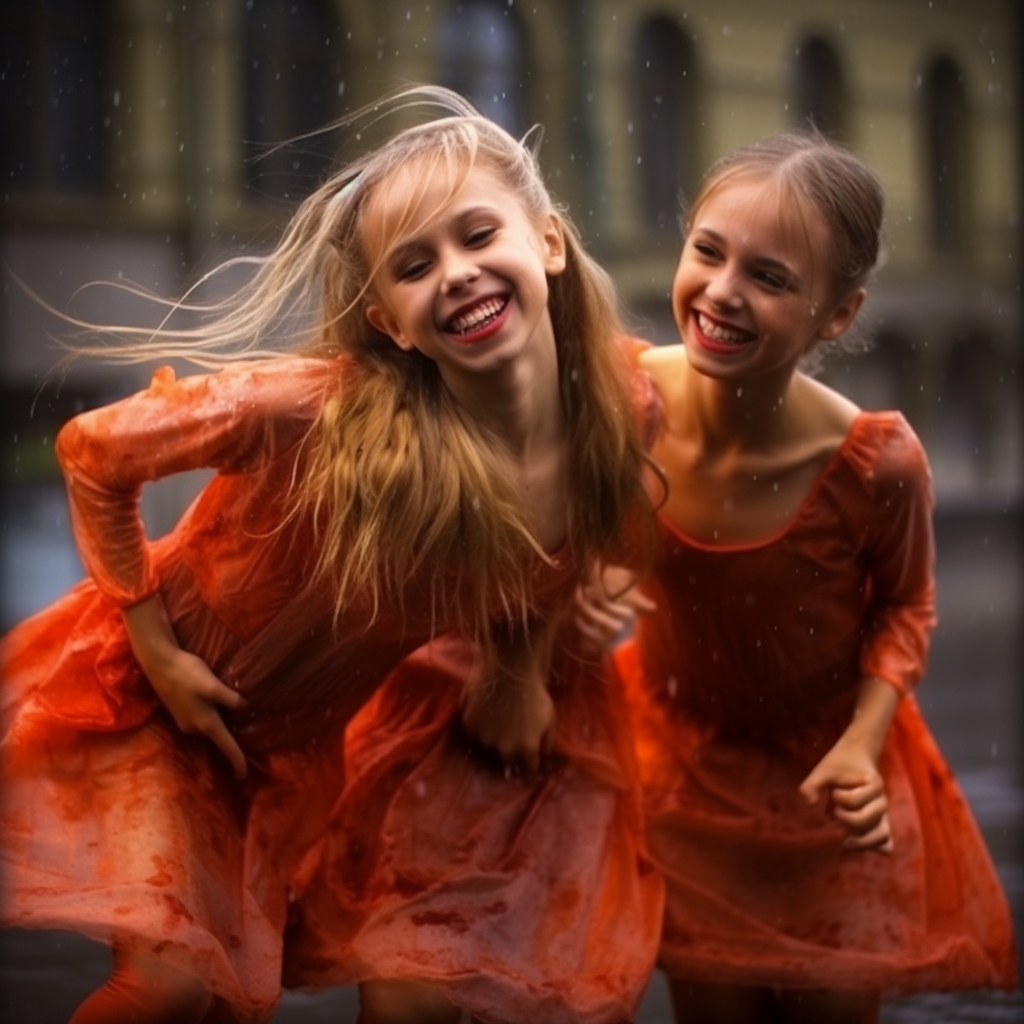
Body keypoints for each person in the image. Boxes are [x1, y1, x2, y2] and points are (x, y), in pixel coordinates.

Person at [0, 85, 663, 1024]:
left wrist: (551, 634)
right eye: (414, 265)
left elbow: (545, 558)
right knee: (167, 985)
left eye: (479, 236)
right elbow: (93, 453)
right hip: (153, 701)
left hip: (285, 753)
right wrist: (152, 641)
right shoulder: (316, 410)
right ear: (390, 322)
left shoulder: (615, 418)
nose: (457, 274)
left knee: (228, 998)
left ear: (549, 243)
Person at [582, 130, 1018, 1023]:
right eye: (708, 250)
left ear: (838, 315)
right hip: (685, 777)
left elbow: (906, 606)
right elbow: (555, 515)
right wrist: (580, 580)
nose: (722, 292)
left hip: (835, 792)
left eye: (771, 278)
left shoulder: (875, 463)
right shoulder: (625, 402)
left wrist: (865, 738)